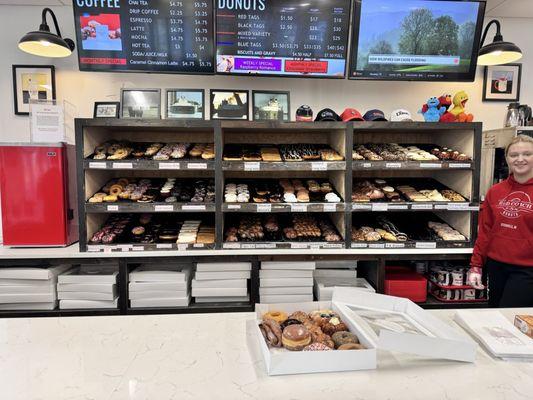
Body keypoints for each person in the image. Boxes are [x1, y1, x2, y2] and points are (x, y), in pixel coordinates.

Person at [468, 135, 533, 307]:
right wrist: (476, 265)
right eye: (513, 155)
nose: (520, 159)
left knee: (512, 319)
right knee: (495, 315)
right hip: (496, 266)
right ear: (507, 159)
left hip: (527, 269)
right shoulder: (495, 191)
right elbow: (485, 232)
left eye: (527, 154)